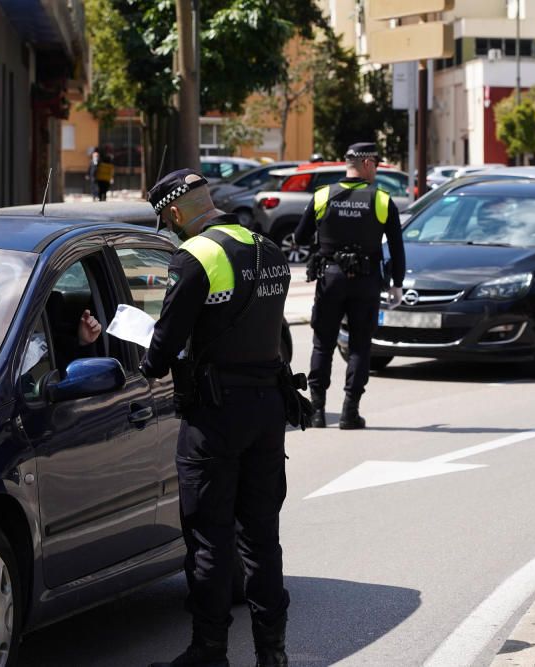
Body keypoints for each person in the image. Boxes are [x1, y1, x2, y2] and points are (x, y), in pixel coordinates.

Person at [141, 169, 292, 667]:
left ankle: (210, 651)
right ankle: (273, 653)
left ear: (179, 212)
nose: (169, 228)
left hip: (215, 417)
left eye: (167, 219)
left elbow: (161, 353)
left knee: (210, 538)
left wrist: (140, 348)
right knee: (262, 538)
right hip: (268, 409)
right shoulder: (267, 249)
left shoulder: (197, 256)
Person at [294, 142, 406, 429]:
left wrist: (325, 246)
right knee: (359, 346)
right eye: (377, 165)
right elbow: (396, 247)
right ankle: (349, 412)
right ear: (367, 164)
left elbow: (298, 236)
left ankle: (317, 411)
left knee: (323, 344)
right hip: (366, 280)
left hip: (330, 278)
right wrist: (397, 284)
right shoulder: (381, 200)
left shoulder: (322, 196)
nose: (377, 170)